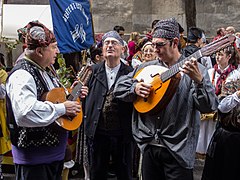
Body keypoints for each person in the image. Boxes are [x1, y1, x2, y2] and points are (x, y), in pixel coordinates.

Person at [113, 17, 218, 180]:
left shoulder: (197, 70)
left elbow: (209, 106)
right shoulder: (146, 68)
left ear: (175, 42)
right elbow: (119, 87)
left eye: (160, 45)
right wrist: (135, 88)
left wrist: (199, 82)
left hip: (178, 151)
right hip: (149, 146)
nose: (155, 49)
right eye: (153, 44)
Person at [5, 21, 88, 180]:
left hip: (51, 156)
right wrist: (62, 109)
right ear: (39, 51)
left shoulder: (46, 69)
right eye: (53, 47)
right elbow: (25, 113)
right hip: (35, 161)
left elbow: (52, 98)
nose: (57, 51)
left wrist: (72, 95)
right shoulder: (22, 75)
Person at [84, 30, 133, 180]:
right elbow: (78, 97)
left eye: (114, 43)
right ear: (102, 49)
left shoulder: (130, 73)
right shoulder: (92, 71)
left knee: (124, 172)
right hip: (98, 133)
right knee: (97, 173)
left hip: (122, 133)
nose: (110, 46)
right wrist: (81, 94)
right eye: (107, 43)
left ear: (123, 49)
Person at [201, 47, 240, 180]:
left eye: (220, 55)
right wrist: (237, 95)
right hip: (230, 136)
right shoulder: (234, 79)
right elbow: (222, 107)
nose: (217, 58)